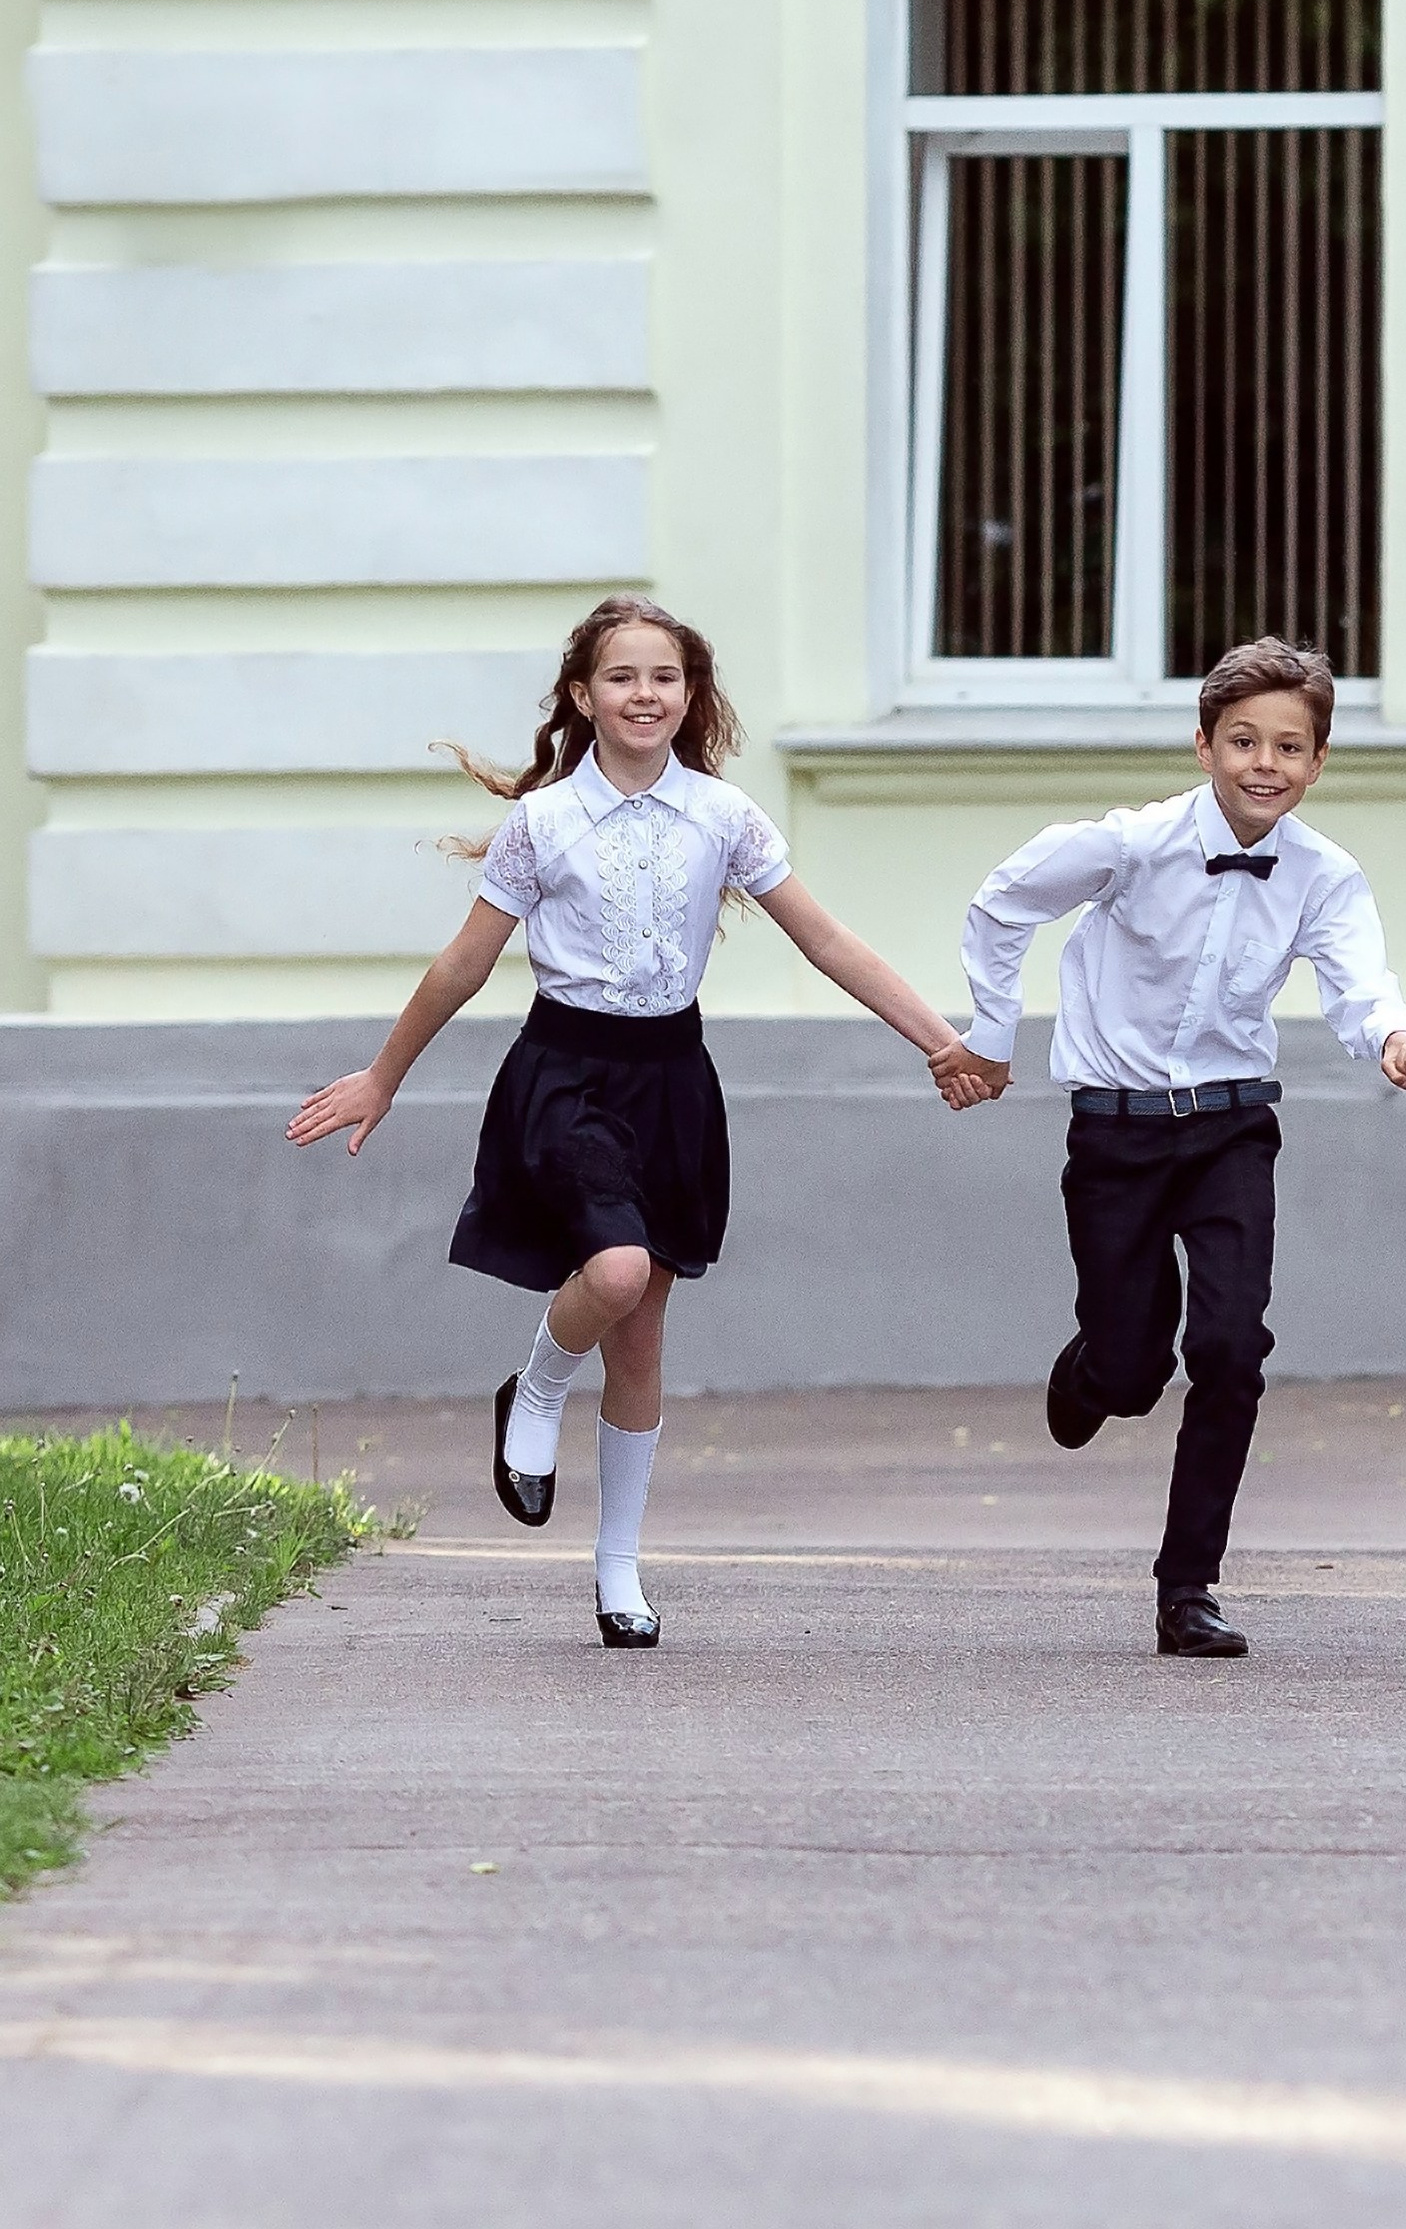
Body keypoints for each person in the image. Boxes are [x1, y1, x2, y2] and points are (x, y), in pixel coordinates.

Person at [288, 595, 985, 1649]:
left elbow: (828, 941)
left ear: (690, 695)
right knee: (611, 1277)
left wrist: (943, 1039)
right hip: (567, 1074)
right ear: (583, 695)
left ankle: (620, 1572)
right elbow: (463, 964)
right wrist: (384, 1076)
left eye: (664, 677)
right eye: (621, 677)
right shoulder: (544, 823)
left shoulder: (724, 817)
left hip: (672, 1082)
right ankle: (535, 1383)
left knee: (646, 1339)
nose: (644, 694)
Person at [948, 638, 1406, 1660]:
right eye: (1242, 741)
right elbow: (1002, 900)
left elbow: (1361, 984)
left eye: (1288, 746)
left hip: (1232, 1128)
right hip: (1115, 1132)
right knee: (1137, 1368)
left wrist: (1399, 1041)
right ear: (1202, 745)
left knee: (1230, 1350)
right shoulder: (1128, 846)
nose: (1262, 764)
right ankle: (1098, 1367)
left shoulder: (1323, 873)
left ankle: (1188, 1585)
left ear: (1317, 764)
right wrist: (992, 1036)